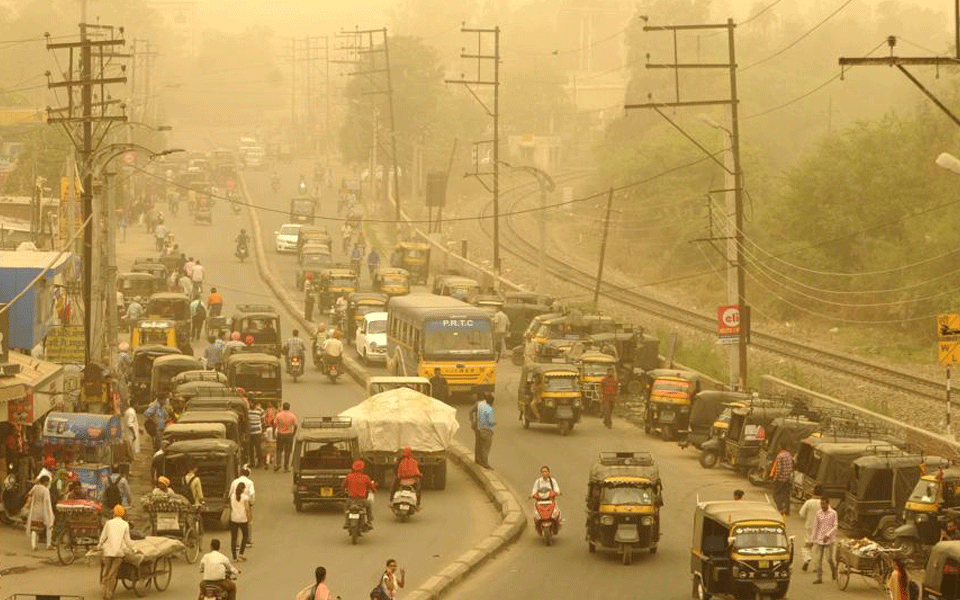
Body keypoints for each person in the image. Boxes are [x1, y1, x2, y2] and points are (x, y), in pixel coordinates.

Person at [98, 504, 135, 600]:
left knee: (106, 573)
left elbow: (103, 536)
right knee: (112, 574)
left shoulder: (108, 523)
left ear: (114, 513)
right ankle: (109, 594)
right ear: (123, 514)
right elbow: (127, 540)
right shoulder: (125, 524)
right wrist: (133, 549)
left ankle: (104, 593)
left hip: (107, 552)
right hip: (118, 553)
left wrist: (99, 545)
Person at [811, 496, 838, 584]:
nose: (822, 506)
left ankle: (834, 571)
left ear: (828, 504)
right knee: (818, 560)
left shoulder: (833, 513)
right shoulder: (818, 513)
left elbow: (835, 526)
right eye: (821, 504)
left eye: (824, 504)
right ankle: (819, 578)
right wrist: (812, 539)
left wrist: (828, 535)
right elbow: (815, 526)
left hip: (829, 540)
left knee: (829, 558)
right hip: (820, 539)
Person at [798, 485, 825, 571]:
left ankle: (807, 559)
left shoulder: (809, 502)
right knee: (818, 548)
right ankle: (816, 567)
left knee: (807, 545)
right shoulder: (824, 504)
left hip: (809, 527)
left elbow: (801, 514)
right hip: (820, 528)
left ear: (813, 492)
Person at [342, 459, 376, 524]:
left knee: (346, 509)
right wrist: (374, 490)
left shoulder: (349, 476)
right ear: (362, 468)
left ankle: (346, 522)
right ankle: (369, 520)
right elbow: (372, 487)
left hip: (351, 500)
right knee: (369, 505)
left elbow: (343, 486)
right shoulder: (365, 477)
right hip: (361, 500)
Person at [25, 475, 54, 550]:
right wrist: (50, 513)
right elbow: (47, 502)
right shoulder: (45, 490)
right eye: (47, 481)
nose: (48, 483)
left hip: (34, 510)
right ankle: (48, 544)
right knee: (49, 526)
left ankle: (33, 545)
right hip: (43, 510)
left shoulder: (35, 487)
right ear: (45, 481)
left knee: (34, 528)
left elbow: (29, 494)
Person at [229, 467, 256, 546]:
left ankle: (236, 543)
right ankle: (247, 540)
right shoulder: (250, 482)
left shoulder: (234, 481)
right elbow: (252, 494)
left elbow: (230, 493)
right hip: (246, 502)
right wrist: (251, 502)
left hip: (235, 503)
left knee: (235, 522)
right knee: (248, 522)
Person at [769, 442, 794, 516]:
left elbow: (779, 469)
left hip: (780, 479)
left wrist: (775, 478)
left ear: (780, 447)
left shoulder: (780, 456)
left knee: (775, 494)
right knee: (786, 494)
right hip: (787, 478)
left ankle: (781, 508)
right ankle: (787, 510)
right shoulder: (789, 454)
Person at [229, 482, 251, 561]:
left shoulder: (232, 496)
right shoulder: (245, 497)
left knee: (234, 538)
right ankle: (241, 553)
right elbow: (247, 509)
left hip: (234, 518)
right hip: (242, 519)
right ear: (243, 489)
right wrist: (249, 519)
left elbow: (231, 507)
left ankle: (234, 557)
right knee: (245, 535)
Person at [274, 402, 298, 472]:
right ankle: (286, 467)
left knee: (279, 450)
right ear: (289, 407)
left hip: (280, 434)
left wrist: (274, 432)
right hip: (289, 435)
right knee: (288, 451)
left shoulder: (278, 415)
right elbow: (296, 425)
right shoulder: (292, 415)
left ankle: (278, 463)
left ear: (283, 407)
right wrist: (293, 433)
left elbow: (274, 424)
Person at [475, 392, 495, 469]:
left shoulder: (481, 405)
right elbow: (491, 422)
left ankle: (480, 460)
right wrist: (494, 423)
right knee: (486, 448)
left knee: (481, 447)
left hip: (480, 428)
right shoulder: (489, 410)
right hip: (487, 430)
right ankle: (485, 463)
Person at [248, 402, 264, 469]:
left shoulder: (259, 411)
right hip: (251, 432)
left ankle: (260, 463)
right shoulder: (248, 411)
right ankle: (252, 462)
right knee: (251, 448)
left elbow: (262, 414)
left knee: (258, 448)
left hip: (256, 432)